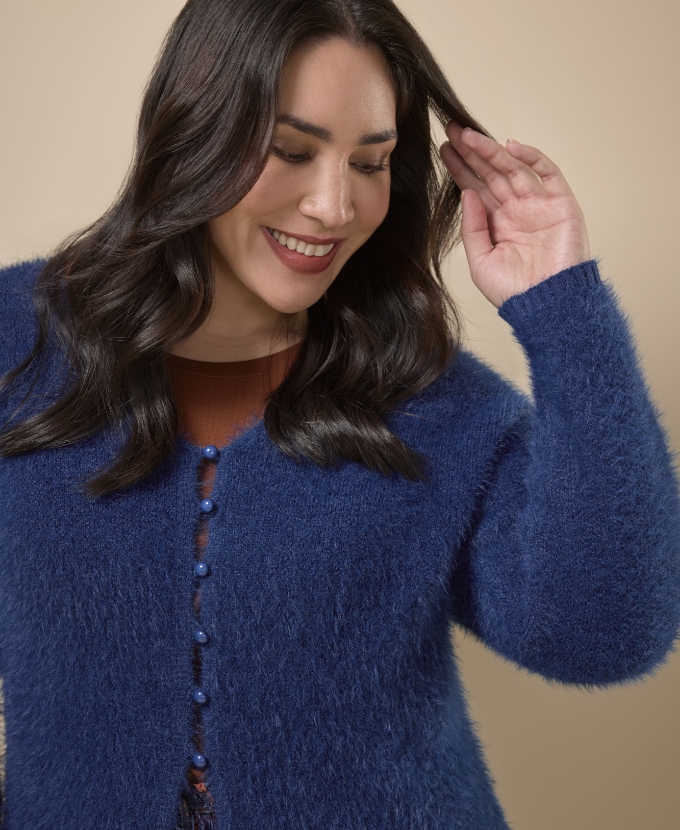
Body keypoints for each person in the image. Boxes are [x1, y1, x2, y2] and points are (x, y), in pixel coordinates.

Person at [0, 0, 678, 827]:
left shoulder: (437, 406)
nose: (334, 206)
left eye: (370, 163)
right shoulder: (17, 345)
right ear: (194, 130)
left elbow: (602, 636)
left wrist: (563, 310)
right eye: (292, 150)